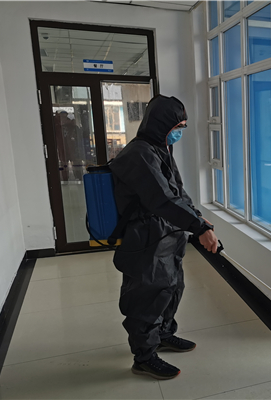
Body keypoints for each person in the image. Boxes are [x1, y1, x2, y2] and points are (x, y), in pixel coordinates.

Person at [110, 95, 219, 380]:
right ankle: (144, 357)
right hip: (146, 238)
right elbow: (162, 200)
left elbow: (177, 192)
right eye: (177, 126)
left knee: (171, 287)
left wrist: (198, 217)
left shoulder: (161, 149)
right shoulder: (139, 154)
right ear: (160, 124)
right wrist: (200, 229)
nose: (180, 131)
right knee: (147, 295)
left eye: (182, 126)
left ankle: (163, 334)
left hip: (167, 233)